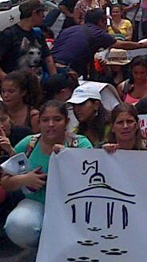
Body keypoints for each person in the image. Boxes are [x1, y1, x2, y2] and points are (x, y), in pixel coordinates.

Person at [1, 100, 92, 249]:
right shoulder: (28, 144)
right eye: (45, 120)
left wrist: (67, 156)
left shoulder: (80, 144)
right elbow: (5, 181)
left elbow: (89, 177)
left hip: (72, 206)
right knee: (18, 225)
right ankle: (40, 248)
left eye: (57, 119)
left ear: (66, 121)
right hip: (36, 202)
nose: (51, 124)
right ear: (39, 122)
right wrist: (25, 179)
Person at [52, 9, 147, 78]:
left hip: (50, 66)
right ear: (102, 21)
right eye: (105, 21)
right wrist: (143, 45)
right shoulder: (98, 33)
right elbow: (122, 45)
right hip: (66, 71)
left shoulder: (69, 29)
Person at [0, 0, 56, 80]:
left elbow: (48, 60)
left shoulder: (37, 34)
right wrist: (8, 81)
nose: (44, 17)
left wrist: (55, 81)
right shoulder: (9, 34)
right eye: (42, 13)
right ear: (34, 13)